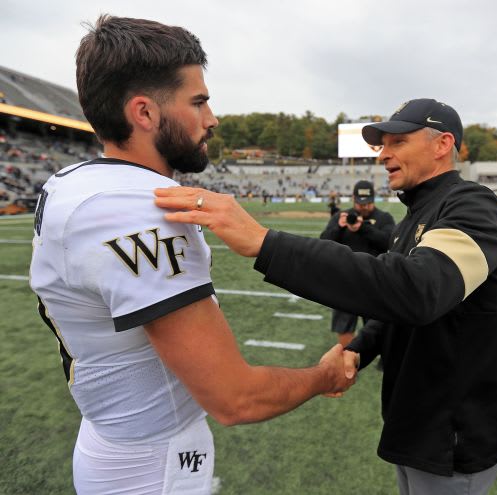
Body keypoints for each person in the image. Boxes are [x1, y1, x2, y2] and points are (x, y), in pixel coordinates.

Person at [29, 16, 354, 495]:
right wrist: (324, 375)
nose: (212, 119)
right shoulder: (137, 210)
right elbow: (235, 398)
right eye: (197, 102)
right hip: (150, 463)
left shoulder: (74, 182)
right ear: (144, 113)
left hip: (116, 437)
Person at [155, 98, 497, 495]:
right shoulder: (415, 214)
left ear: (442, 143)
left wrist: (266, 243)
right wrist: (358, 350)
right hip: (418, 421)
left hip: (452, 431)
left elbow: (420, 291)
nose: (384, 155)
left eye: (397, 141)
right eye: (382, 144)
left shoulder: (472, 203)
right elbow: (396, 309)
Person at [320, 180, 395, 347]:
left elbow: (389, 243)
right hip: (345, 281)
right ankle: (348, 364)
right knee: (344, 327)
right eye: (360, 203)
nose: (364, 207)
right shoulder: (342, 217)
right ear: (353, 199)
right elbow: (323, 243)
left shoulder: (384, 218)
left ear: (373, 199)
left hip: (374, 281)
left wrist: (364, 228)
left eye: (368, 203)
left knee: (378, 327)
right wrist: (339, 228)